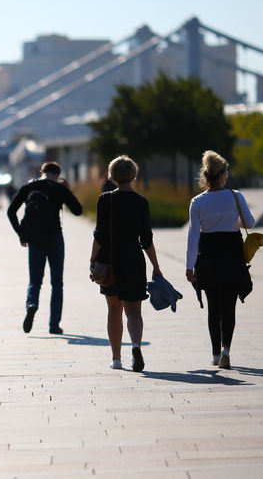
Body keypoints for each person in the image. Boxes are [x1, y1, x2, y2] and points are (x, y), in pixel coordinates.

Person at [89, 156, 162, 372]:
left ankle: (116, 359)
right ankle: (136, 345)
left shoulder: (105, 200)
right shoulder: (141, 202)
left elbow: (99, 235)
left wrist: (93, 260)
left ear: (112, 176)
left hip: (111, 260)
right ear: (134, 175)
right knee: (134, 311)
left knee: (114, 310)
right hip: (134, 261)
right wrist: (156, 266)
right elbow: (146, 240)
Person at [186, 150, 255, 369]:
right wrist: (232, 221)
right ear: (223, 175)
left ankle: (215, 355)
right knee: (229, 307)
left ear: (205, 176)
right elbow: (250, 223)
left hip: (208, 258)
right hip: (232, 256)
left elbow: (193, 237)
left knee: (213, 308)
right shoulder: (236, 196)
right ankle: (226, 350)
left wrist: (189, 268)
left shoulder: (197, 202)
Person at [7, 162, 83, 335]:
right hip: (54, 237)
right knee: (57, 283)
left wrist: (21, 234)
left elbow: (11, 211)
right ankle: (54, 325)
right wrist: (67, 190)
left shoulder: (28, 187)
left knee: (35, 281)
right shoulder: (59, 188)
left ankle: (31, 304)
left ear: (42, 172)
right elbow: (78, 211)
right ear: (57, 174)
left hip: (34, 240)